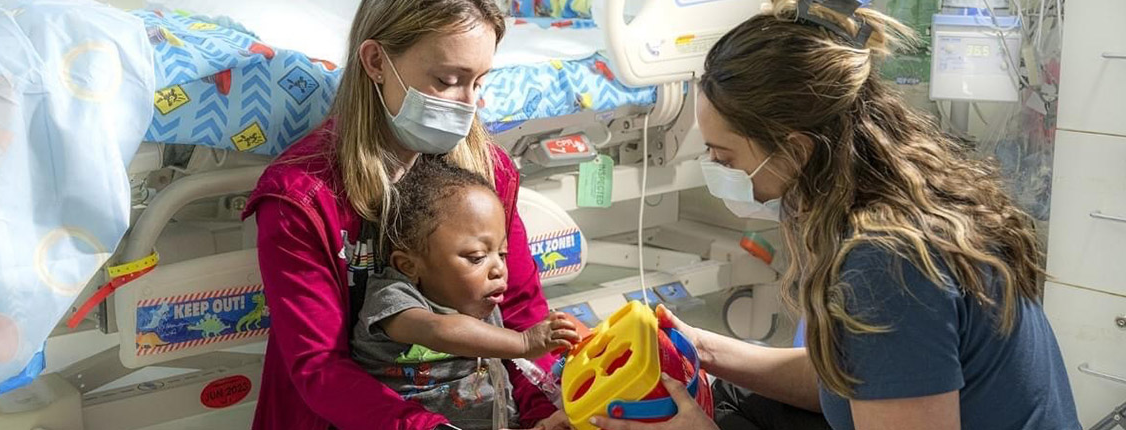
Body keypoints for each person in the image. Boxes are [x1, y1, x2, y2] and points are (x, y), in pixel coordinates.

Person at [591, 1, 1080, 429]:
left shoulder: (886, 265)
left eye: (725, 157)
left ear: (797, 149)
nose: (719, 170)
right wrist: (703, 349)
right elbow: (860, 384)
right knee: (735, 401)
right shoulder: (913, 200)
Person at [242, 1, 564, 428]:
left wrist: (547, 412)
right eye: (447, 80)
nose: (467, 105)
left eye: (479, 83)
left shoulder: (488, 173)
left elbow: (521, 315)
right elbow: (320, 368)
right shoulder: (301, 199)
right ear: (376, 61)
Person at [350, 158, 579, 430]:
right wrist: (524, 343)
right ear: (409, 265)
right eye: (477, 257)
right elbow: (439, 330)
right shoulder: (394, 298)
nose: (498, 269)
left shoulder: (481, 301)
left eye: (502, 254)